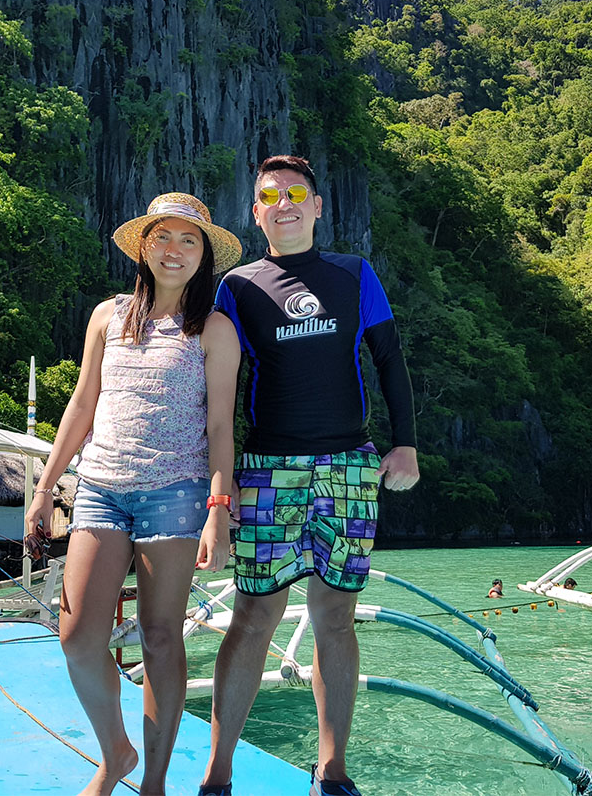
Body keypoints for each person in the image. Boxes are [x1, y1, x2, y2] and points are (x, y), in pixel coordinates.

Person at [198, 155, 419, 796]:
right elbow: (217, 392)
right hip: (267, 467)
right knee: (253, 615)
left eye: (298, 193)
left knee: (335, 618)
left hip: (350, 463)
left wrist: (404, 445)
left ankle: (332, 768)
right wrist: (222, 484)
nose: (285, 203)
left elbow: (388, 359)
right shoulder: (236, 288)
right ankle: (218, 773)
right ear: (257, 209)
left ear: (318, 206)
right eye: (271, 195)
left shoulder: (354, 274)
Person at [25, 193, 242, 796]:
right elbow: (82, 403)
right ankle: (114, 752)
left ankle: (154, 780)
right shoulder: (108, 315)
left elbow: (221, 426)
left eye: (189, 240)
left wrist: (218, 510)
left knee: (162, 635)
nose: (174, 250)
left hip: (177, 492)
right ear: (143, 246)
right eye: (163, 237)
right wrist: (46, 486)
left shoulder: (214, 329)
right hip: (99, 487)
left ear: (204, 256)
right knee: (77, 638)